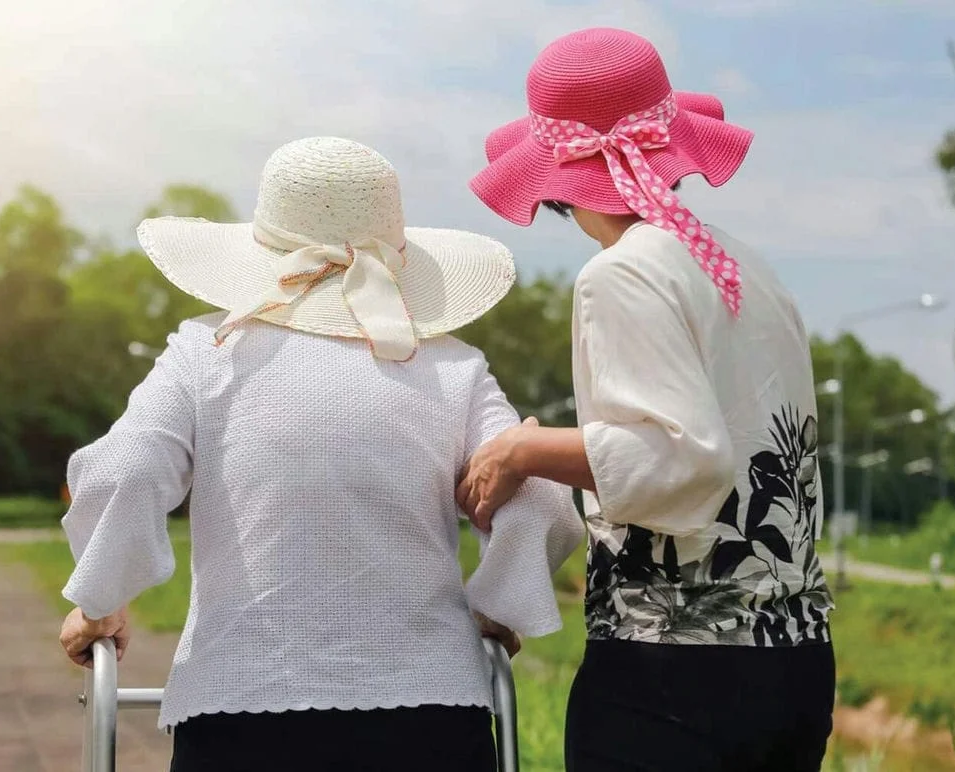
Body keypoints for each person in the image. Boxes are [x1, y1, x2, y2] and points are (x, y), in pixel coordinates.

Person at [58, 136, 584, 772]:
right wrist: (501, 606)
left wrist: (100, 600)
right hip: (431, 710)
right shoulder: (455, 367)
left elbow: (127, 469)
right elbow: (539, 497)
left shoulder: (208, 350)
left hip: (240, 703)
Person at [459, 28, 836, 772]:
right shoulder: (742, 265)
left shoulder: (622, 273)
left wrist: (524, 449)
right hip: (794, 656)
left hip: (677, 668)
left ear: (558, 176)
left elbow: (679, 460)